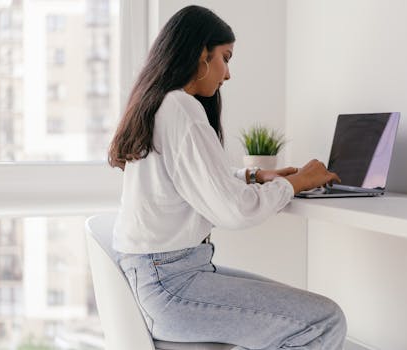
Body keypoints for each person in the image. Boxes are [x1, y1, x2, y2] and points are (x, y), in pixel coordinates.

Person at [108, 5, 346, 350]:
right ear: (201, 54)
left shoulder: (159, 104)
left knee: (305, 317)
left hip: (160, 277)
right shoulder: (181, 108)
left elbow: (187, 176)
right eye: (226, 57)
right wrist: (296, 182)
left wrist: (252, 175)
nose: (227, 74)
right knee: (325, 321)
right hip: (171, 285)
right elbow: (233, 211)